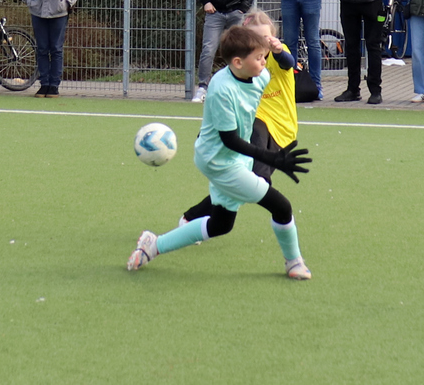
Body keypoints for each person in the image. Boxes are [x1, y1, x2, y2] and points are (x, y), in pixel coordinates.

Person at [127, 24, 313, 280]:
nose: (264, 62)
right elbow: (229, 140)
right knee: (281, 206)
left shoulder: (260, 76)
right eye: (259, 58)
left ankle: (153, 244)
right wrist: (272, 158)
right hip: (219, 160)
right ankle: (294, 263)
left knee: (221, 224)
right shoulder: (221, 89)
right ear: (238, 62)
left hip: (234, 157)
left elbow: (283, 68)